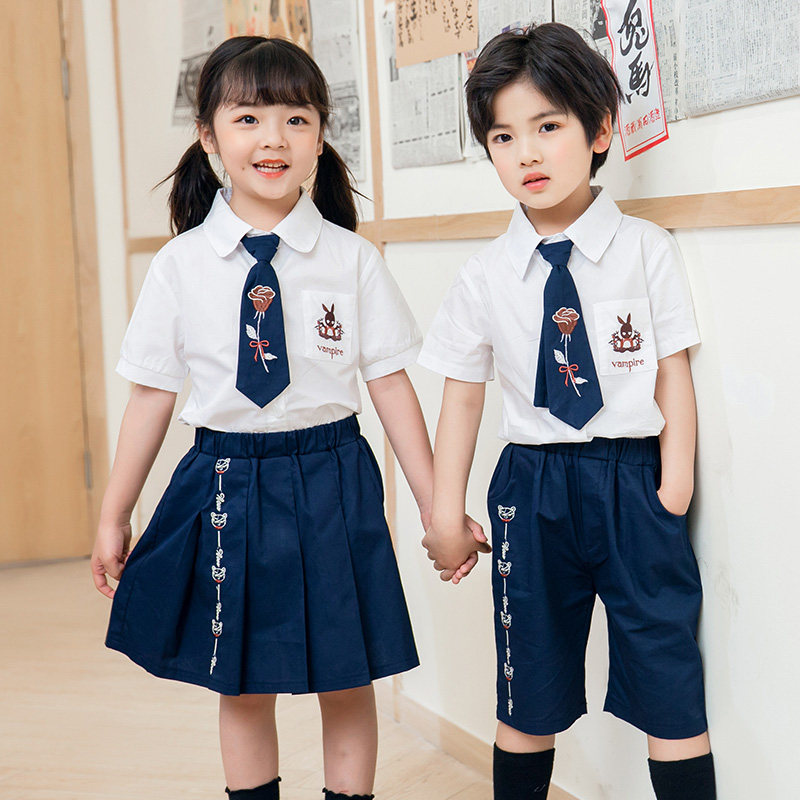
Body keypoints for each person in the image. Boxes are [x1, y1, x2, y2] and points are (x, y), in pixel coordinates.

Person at [90, 35, 485, 800]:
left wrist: (439, 508)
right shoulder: (180, 267)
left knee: (347, 674)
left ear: (320, 138)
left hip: (332, 479)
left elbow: (391, 388)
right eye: (248, 118)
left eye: (296, 119)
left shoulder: (351, 259)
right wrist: (114, 514)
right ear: (209, 137)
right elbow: (151, 396)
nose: (273, 138)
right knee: (240, 680)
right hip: (224, 481)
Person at [419, 23, 716, 800]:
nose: (527, 153)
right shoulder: (485, 275)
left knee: (668, 677)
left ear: (600, 130)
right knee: (528, 685)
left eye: (548, 126)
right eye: (503, 136)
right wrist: (444, 512)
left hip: (632, 483)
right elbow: (462, 396)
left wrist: (673, 486)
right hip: (532, 487)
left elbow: (671, 369)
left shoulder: (644, 249)